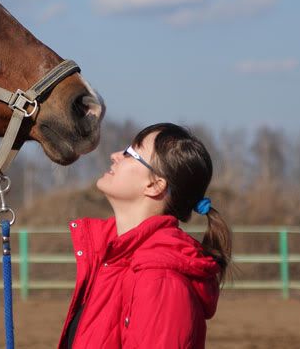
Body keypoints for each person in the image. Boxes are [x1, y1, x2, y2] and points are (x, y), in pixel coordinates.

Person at [58, 123, 232, 349]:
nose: (115, 156)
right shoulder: (111, 260)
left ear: (154, 185)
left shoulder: (161, 281)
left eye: (130, 154)